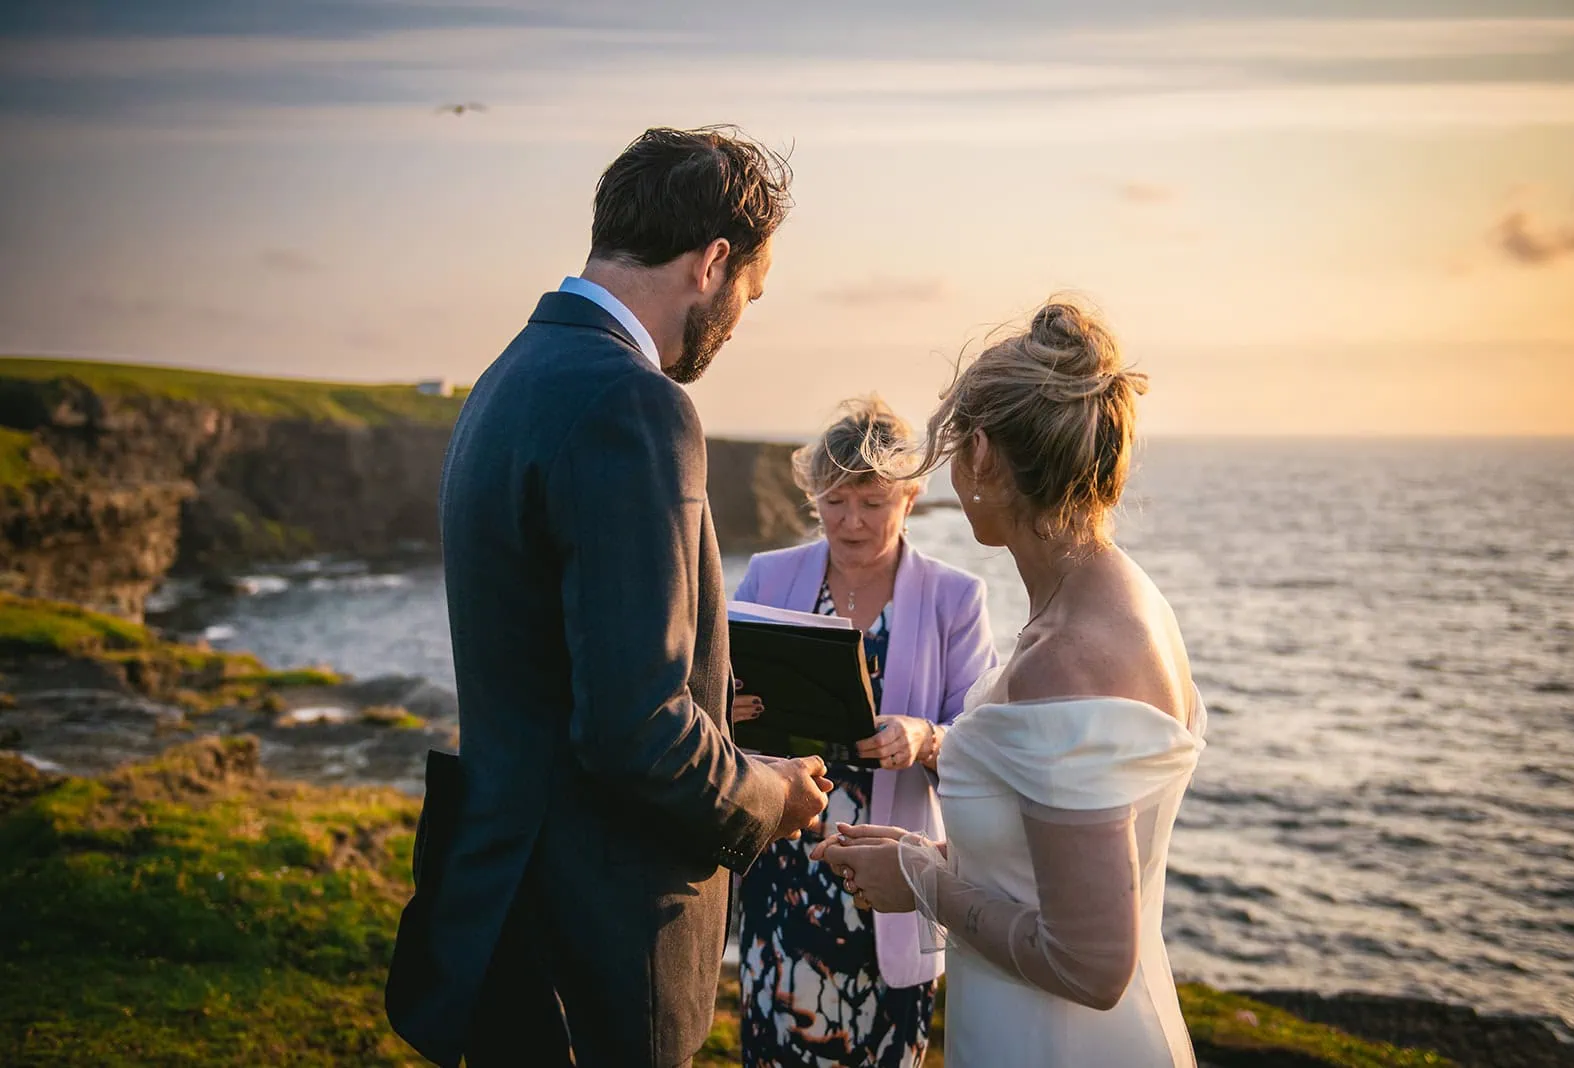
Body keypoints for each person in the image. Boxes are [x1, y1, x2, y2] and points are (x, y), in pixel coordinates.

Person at [386, 127, 834, 1068]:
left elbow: (560, 653)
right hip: (603, 940)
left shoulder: (511, 374)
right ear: (712, 263)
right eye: (750, 292)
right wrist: (769, 793)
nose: (740, 319)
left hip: (509, 902)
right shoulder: (637, 404)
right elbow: (637, 728)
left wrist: (717, 693)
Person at [814, 301, 1208, 1067]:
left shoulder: (1064, 658)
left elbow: (1089, 964)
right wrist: (925, 852)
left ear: (982, 453)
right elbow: (1054, 864)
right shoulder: (1131, 600)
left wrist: (921, 882)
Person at [732, 397, 998, 1067]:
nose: (851, 521)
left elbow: (986, 748)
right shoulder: (767, 576)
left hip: (889, 882)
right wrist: (726, 709)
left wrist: (926, 737)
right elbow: (714, 708)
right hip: (782, 872)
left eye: (873, 502)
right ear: (813, 497)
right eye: (835, 500)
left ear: (910, 497)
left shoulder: (956, 598)